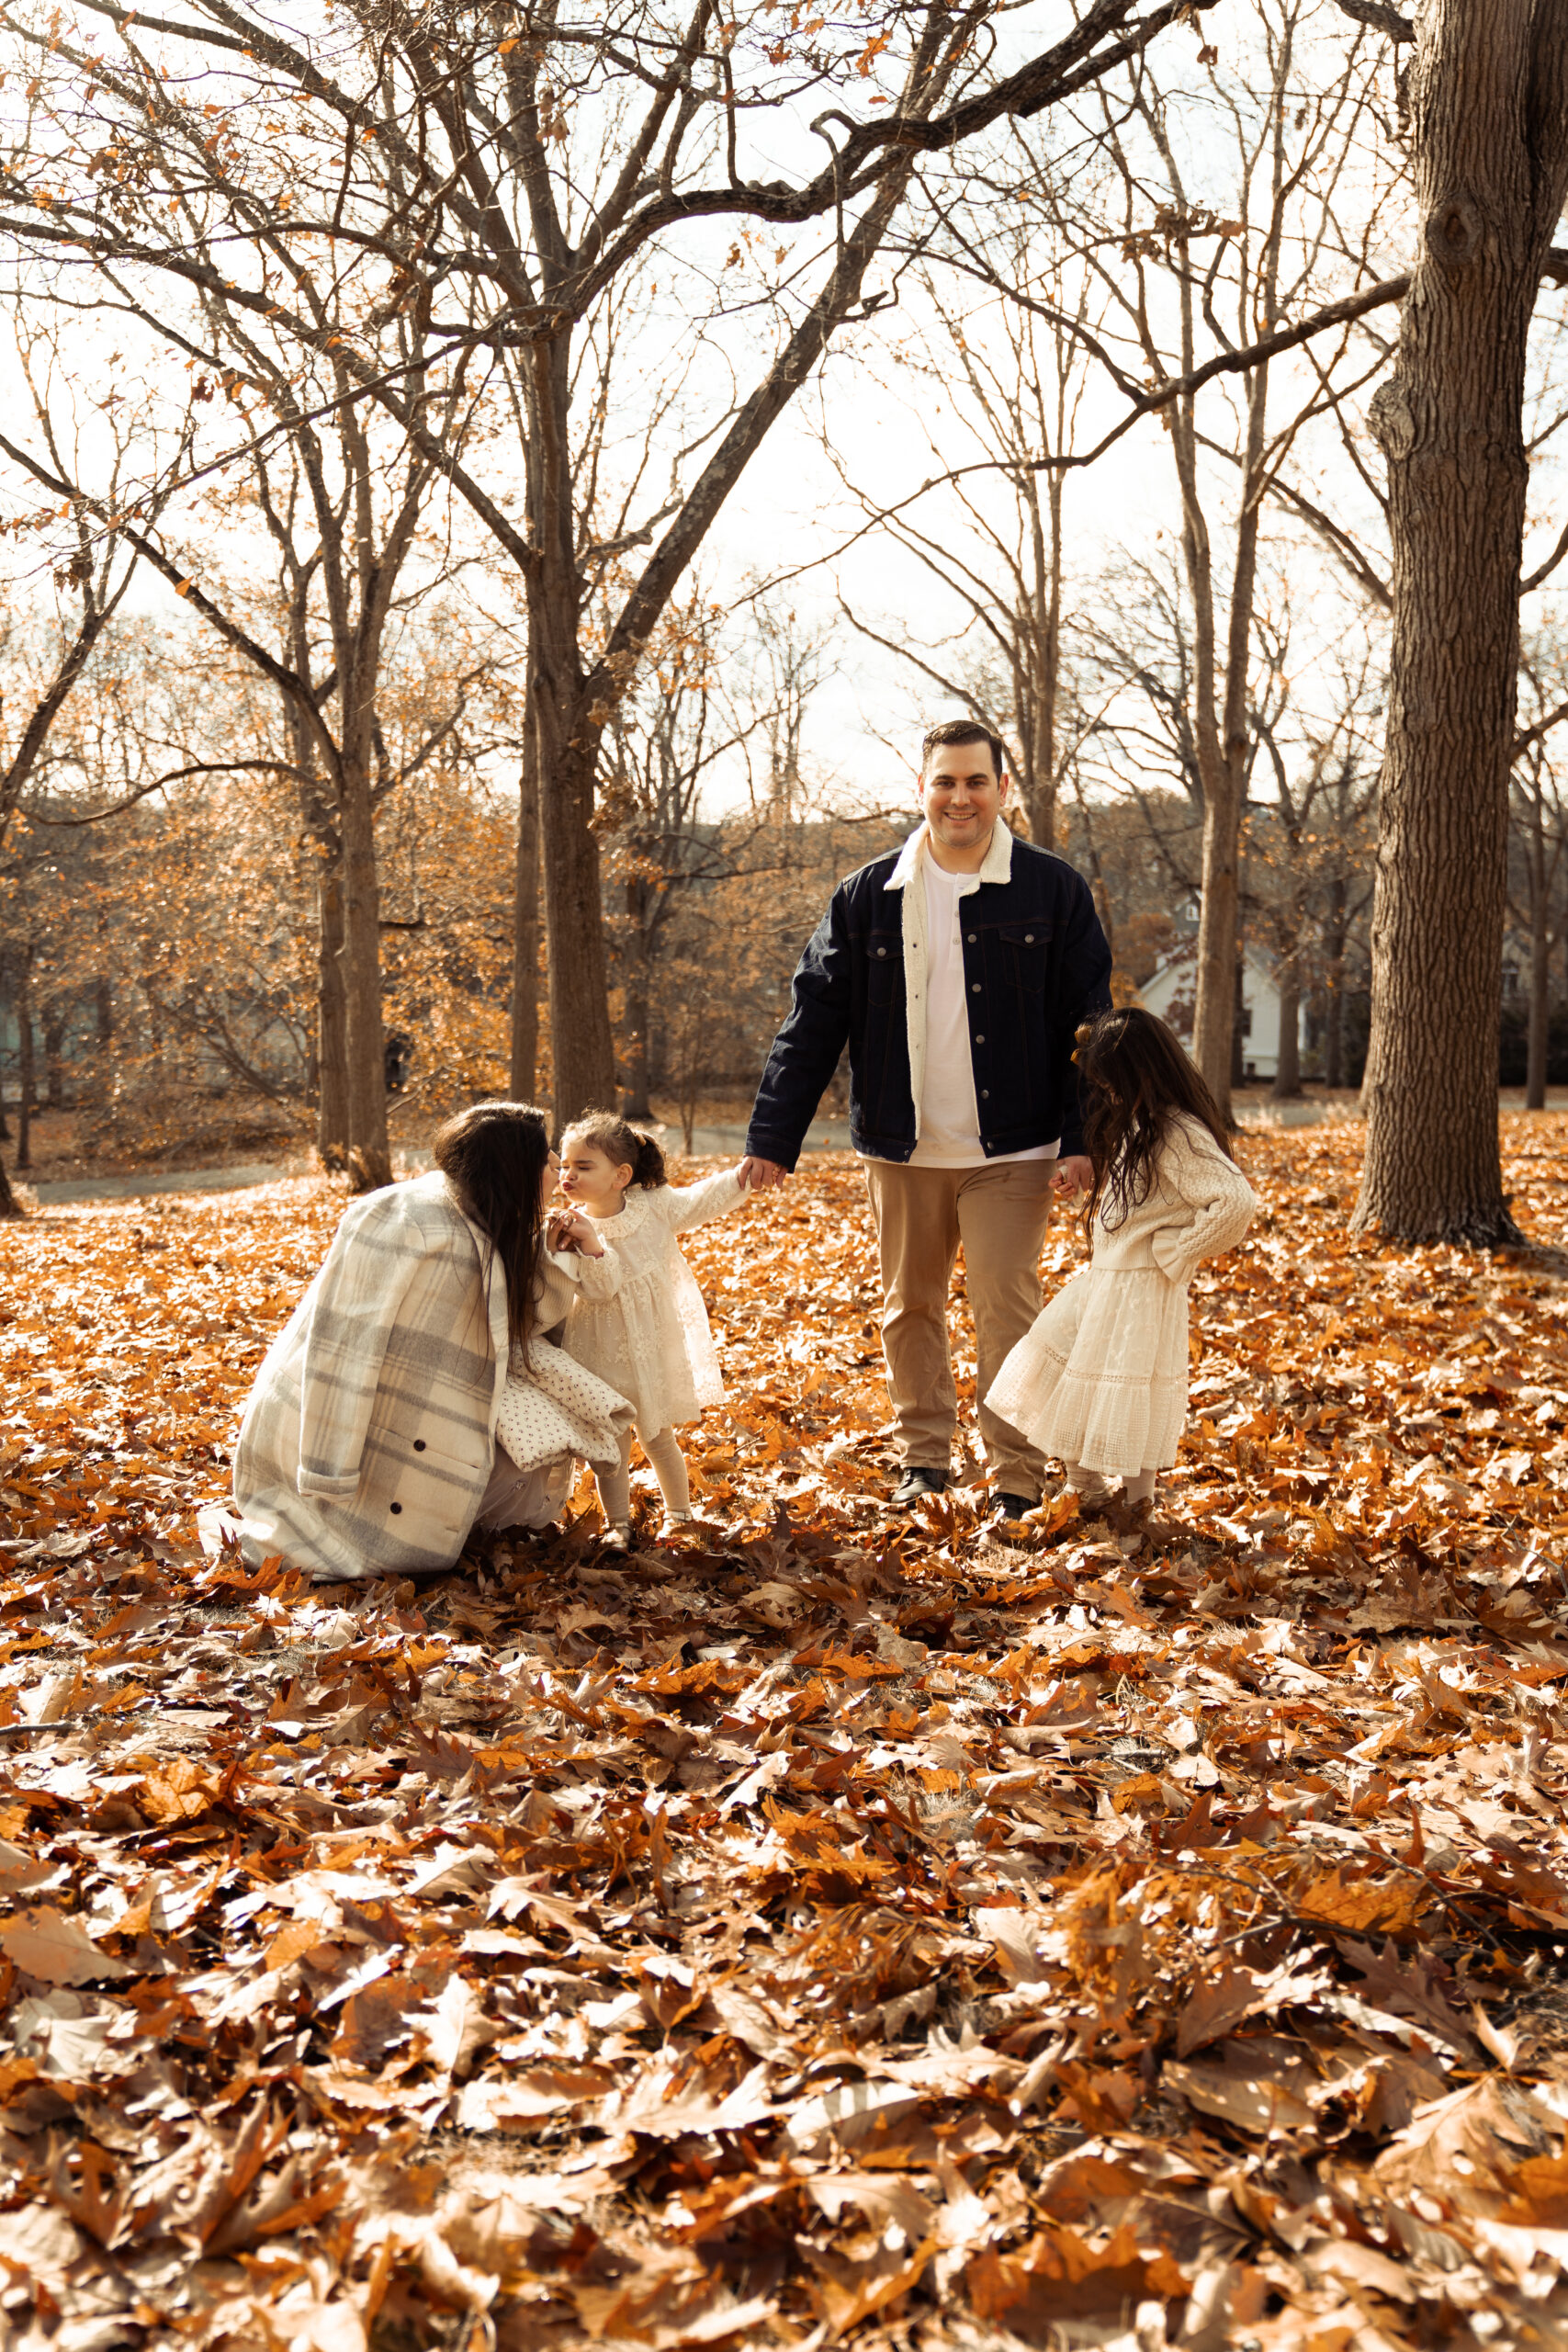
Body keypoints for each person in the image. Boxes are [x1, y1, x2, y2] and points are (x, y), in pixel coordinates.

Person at [740, 718, 1112, 1521]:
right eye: (944, 781)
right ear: (922, 790)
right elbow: (812, 1023)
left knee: (1005, 1307)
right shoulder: (866, 896)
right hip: (902, 1147)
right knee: (909, 1305)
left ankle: (1015, 1472)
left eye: (975, 781)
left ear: (1002, 789)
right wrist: (773, 1137)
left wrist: (1084, 1140)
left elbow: (1088, 1025)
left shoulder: (1053, 890)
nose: (960, 798)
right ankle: (925, 1461)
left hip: (1012, 1147)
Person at [223, 1101, 634, 1583]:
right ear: (512, 1167)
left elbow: (519, 1322)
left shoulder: (493, 1216)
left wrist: (555, 1256)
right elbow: (345, 1343)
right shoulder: (403, 1218)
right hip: (350, 1412)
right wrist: (326, 1469)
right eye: (547, 1159)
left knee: (539, 1444)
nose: (557, 1173)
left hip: (434, 1395)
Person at [987, 1007, 1257, 1530]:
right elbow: (1145, 1199)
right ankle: (1083, 1484)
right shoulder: (1142, 1121)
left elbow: (1234, 1200)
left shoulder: (1177, 1130)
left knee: (1131, 1383)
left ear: (1134, 1072)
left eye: (1108, 1080)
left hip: (1140, 1287)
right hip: (1109, 1277)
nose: (1103, 1090)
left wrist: (1179, 1250)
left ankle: (1138, 1505)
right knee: (1064, 1361)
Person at [549, 1110, 750, 1547]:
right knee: (611, 1447)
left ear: (621, 1175)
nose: (569, 1174)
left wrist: (745, 1175)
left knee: (658, 1436)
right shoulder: (568, 1225)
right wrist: (588, 1243)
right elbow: (600, 1291)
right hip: (597, 1346)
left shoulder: (654, 1207)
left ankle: (679, 1514)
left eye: (584, 1167)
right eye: (564, 1165)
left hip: (651, 1342)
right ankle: (616, 1525)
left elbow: (702, 1198)